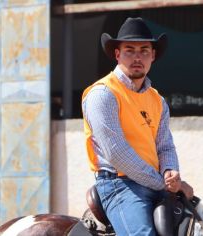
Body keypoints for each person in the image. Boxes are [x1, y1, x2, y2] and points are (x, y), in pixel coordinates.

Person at [81, 17, 193, 235]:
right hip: (119, 185)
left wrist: (171, 172)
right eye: (129, 50)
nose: (137, 57)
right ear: (117, 54)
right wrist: (164, 184)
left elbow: (165, 146)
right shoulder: (103, 94)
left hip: (154, 183)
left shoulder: (157, 100)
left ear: (153, 55)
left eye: (144, 50)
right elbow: (117, 153)